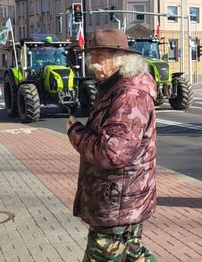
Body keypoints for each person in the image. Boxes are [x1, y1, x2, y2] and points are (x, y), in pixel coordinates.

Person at [65, 29, 158, 261]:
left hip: (117, 202)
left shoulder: (128, 95)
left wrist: (74, 131)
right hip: (122, 199)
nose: (93, 62)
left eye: (100, 55)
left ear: (120, 59)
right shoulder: (115, 87)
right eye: (91, 56)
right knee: (133, 255)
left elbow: (112, 153)